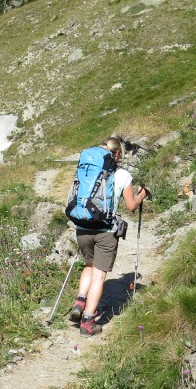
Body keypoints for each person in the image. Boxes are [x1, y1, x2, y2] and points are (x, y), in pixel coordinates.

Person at [68, 136, 147, 336]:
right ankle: (88, 322)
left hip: (83, 226)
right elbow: (131, 206)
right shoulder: (123, 175)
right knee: (99, 275)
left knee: (89, 266)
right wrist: (142, 194)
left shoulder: (87, 169)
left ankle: (80, 301)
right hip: (105, 230)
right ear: (117, 154)